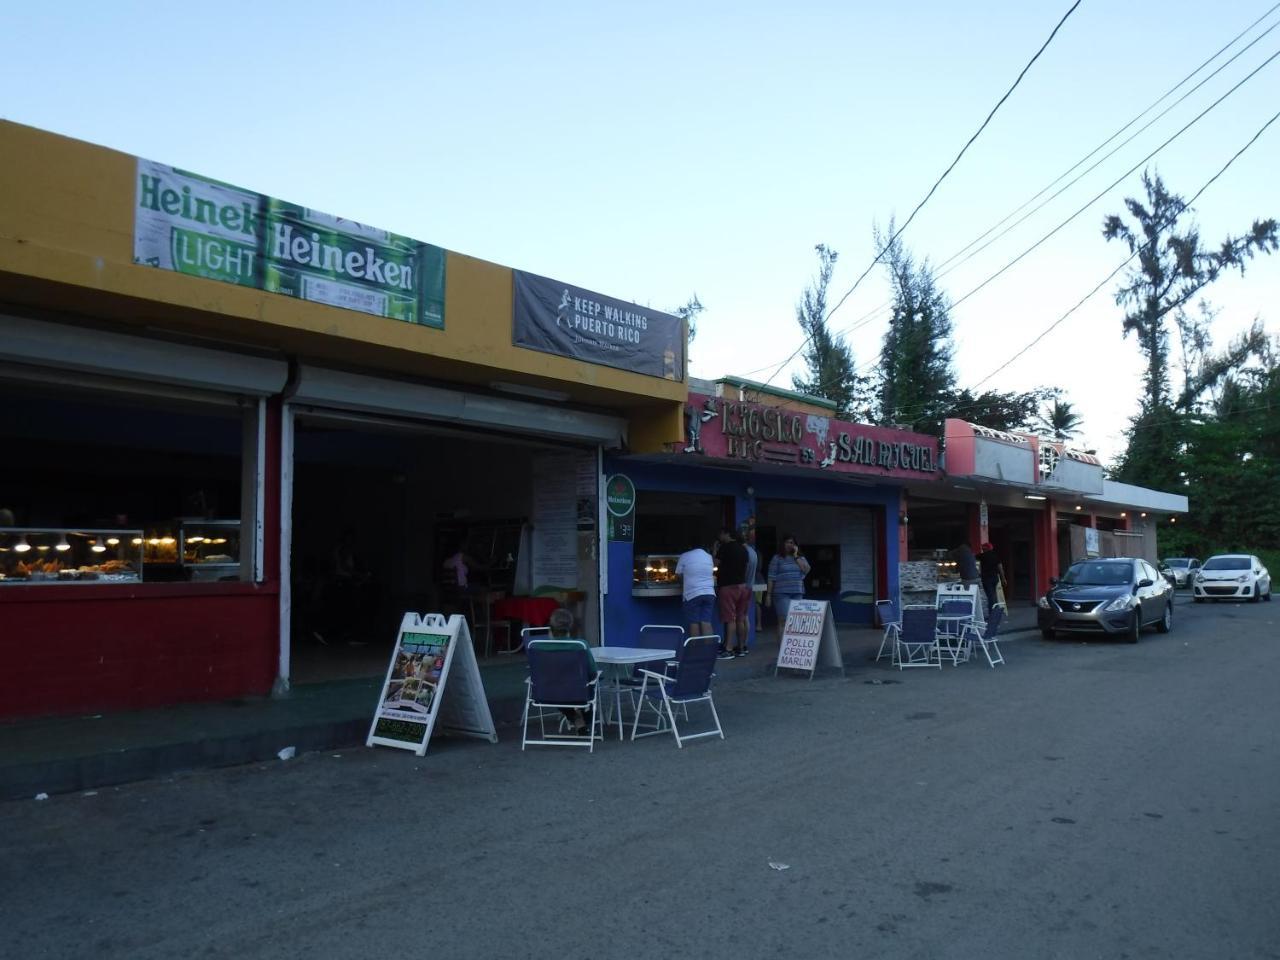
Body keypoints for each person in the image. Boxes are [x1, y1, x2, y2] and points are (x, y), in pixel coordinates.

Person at [714, 527, 750, 658]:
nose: (719, 536)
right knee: (740, 618)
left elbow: (715, 563)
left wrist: (715, 550)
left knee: (730, 619)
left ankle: (728, 649)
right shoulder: (743, 549)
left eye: (721, 533)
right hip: (742, 586)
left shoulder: (725, 547)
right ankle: (741, 648)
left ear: (727, 533)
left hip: (728, 586)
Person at [675, 534, 716, 642]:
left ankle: (696, 650)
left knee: (694, 623)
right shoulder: (708, 556)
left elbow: (678, 575)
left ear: (689, 546)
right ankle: (709, 651)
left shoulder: (684, 556)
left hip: (692, 593)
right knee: (706, 621)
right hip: (709, 592)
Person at [767, 534, 810, 628]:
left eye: (792, 543)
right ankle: (781, 642)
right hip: (781, 593)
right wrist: (768, 595)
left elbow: (806, 570)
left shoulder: (800, 558)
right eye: (788, 542)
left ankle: (791, 642)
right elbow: (771, 577)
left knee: (796, 620)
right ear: (783, 544)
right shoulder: (777, 558)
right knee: (784, 620)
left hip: (797, 592)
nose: (790, 544)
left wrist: (796, 556)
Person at [977, 541, 1007, 616]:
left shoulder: (982, 556)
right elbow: (1000, 568)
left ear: (986, 548)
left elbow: (973, 558)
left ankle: (993, 613)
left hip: (987, 579)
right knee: (993, 595)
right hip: (995, 578)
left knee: (990, 596)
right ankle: (995, 611)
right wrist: (1003, 578)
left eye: (983, 548)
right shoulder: (995, 555)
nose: (982, 549)